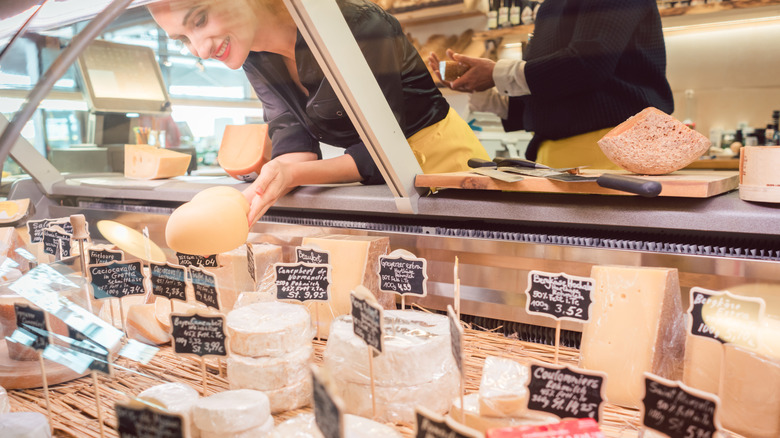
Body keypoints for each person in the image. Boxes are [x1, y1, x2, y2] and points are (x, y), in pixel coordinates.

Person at [149, 0, 489, 224]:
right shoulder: (252, 53)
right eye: (182, 39)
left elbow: (381, 151)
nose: (201, 51)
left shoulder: (360, 27)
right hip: (385, 188)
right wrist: (255, 193)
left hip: (447, 171)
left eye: (200, 20)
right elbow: (292, 139)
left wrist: (291, 176)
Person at [428, 0, 674, 170]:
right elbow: (558, 89)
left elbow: (588, 64)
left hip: (614, 155)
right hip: (562, 158)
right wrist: (481, 86)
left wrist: (496, 73)